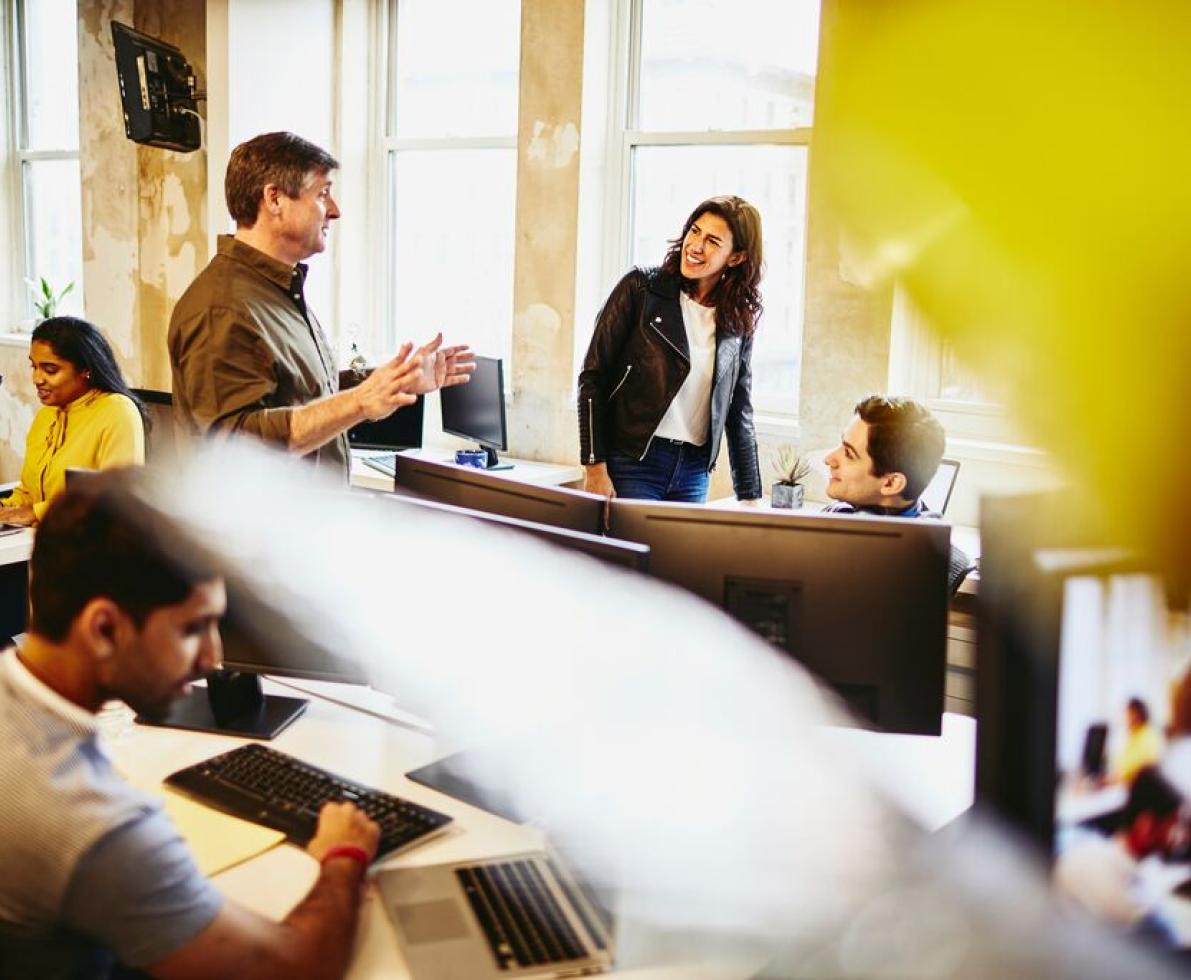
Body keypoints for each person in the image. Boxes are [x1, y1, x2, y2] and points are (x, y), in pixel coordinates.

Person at [0, 475, 380, 978]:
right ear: (105, 628)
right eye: (193, 628)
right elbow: (295, 967)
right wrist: (344, 856)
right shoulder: (96, 827)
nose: (212, 658)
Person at [169, 131, 473, 482]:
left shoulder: (276, 289)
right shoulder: (221, 307)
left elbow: (303, 398)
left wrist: (392, 383)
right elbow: (231, 447)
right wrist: (359, 401)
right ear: (274, 199)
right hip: (255, 535)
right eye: (323, 194)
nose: (335, 210)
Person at [578, 195, 763, 503]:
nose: (696, 246)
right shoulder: (639, 288)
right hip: (632, 462)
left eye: (713, 241)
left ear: (736, 257)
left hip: (693, 471)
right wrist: (594, 467)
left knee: (679, 554)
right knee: (631, 552)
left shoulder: (736, 321)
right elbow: (592, 378)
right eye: (694, 231)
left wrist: (750, 496)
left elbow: (738, 408)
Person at [0, 316, 145, 526]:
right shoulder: (46, 415)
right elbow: (30, 492)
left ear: (86, 370)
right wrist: (7, 507)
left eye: (50, 370)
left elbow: (117, 497)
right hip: (41, 540)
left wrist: (36, 512)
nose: (37, 379)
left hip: (88, 547)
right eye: (34, 367)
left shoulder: (117, 410)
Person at [822, 395, 945, 517]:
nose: (828, 459)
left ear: (891, 483)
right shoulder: (835, 512)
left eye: (849, 453)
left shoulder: (924, 536)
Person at [1114, 697, 1164, 785]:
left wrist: (1119, 778)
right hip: (1128, 785)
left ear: (1138, 714)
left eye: (1129, 714)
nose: (1126, 720)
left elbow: (1145, 765)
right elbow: (1122, 766)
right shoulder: (1133, 737)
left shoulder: (1149, 734)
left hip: (1143, 787)